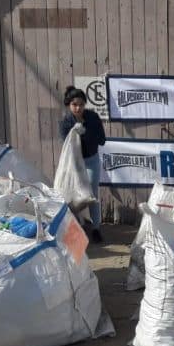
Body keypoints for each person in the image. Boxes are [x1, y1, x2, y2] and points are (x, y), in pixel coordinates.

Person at [59, 86, 106, 243]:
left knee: (91, 195)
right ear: (68, 105)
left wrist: (86, 133)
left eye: (80, 104)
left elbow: (102, 140)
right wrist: (75, 132)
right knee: (72, 195)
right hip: (74, 164)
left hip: (91, 160)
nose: (78, 108)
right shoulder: (66, 123)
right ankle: (76, 228)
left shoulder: (92, 118)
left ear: (85, 104)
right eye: (74, 104)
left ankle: (96, 228)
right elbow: (67, 147)